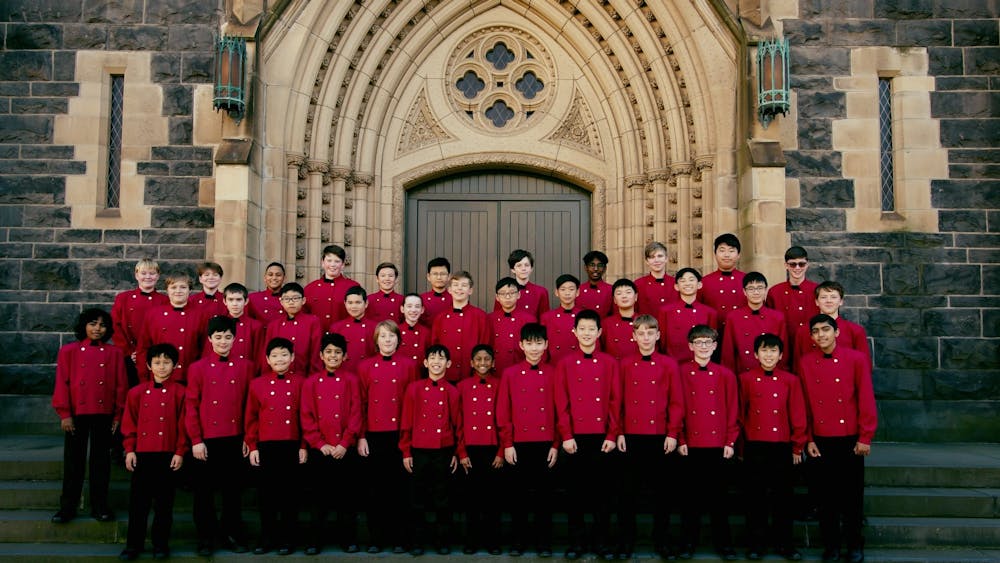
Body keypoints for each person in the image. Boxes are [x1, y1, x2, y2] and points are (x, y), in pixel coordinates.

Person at [798, 315, 877, 563]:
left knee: (852, 496)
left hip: (849, 438)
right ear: (811, 337)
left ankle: (855, 545)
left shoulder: (856, 359)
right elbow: (805, 403)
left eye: (826, 329)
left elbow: (865, 397)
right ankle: (831, 546)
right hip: (820, 439)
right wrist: (807, 438)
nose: (821, 335)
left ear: (836, 332)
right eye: (816, 331)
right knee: (825, 498)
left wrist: (865, 436)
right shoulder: (805, 362)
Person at [555, 309, 622, 559]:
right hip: (575, 438)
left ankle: (601, 541)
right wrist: (566, 435)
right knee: (576, 495)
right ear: (574, 332)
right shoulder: (564, 363)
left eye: (591, 329)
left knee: (602, 494)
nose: (586, 333)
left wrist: (612, 434)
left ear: (599, 332)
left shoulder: (609, 362)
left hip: (602, 437)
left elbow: (616, 400)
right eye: (581, 329)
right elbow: (561, 402)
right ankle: (576, 542)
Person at [185, 316, 254, 556]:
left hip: (235, 437)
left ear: (235, 339)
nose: (223, 341)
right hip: (206, 439)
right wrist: (195, 440)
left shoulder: (246, 366)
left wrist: (248, 437)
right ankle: (205, 538)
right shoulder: (198, 368)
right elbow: (191, 406)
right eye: (218, 337)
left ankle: (231, 533)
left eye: (227, 337)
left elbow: (250, 405)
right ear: (210, 339)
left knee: (231, 492)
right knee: (203, 494)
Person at [616, 314, 683, 559]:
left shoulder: (669, 364)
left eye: (650, 333)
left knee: (662, 493)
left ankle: (661, 539)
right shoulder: (623, 364)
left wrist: (673, 432)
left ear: (658, 335)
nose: (645, 338)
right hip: (631, 436)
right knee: (627, 493)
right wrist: (619, 431)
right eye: (640, 333)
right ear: (633, 336)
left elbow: (676, 402)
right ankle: (626, 540)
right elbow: (618, 401)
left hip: (660, 436)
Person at [51, 308, 127, 525]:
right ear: (84, 325)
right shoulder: (69, 351)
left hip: (104, 414)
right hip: (76, 414)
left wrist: (117, 415)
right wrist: (65, 414)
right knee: (73, 462)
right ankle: (67, 507)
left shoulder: (115, 353)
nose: (97, 329)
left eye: (102, 325)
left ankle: (100, 506)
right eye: (93, 323)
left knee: (100, 463)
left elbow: (121, 386)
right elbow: (62, 384)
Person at [738, 333, 807, 561]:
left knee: (783, 499)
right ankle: (756, 544)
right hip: (755, 445)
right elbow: (741, 414)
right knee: (755, 499)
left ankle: (785, 544)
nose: (769, 355)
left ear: (781, 355)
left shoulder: (790, 380)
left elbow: (797, 414)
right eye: (764, 351)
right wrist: (741, 447)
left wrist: (797, 446)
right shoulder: (745, 379)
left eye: (773, 351)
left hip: (782, 446)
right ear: (756, 355)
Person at [119, 343, 187, 561]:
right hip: (143, 454)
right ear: (148, 365)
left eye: (167, 362)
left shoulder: (181, 393)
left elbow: (183, 425)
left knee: (164, 505)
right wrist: (129, 450)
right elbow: (129, 424)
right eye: (157, 362)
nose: (162, 367)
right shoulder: (136, 393)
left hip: (167, 455)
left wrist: (179, 451)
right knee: (139, 504)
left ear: (175, 365)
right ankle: (133, 545)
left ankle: (161, 544)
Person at [496, 323, 559, 557]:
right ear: (521, 345)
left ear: (546, 345)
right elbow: (503, 411)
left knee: (545, 497)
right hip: (518, 444)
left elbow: (560, 409)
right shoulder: (510, 374)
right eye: (529, 343)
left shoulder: (554, 372)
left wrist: (555, 444)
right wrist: (508, 444)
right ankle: (518, 541)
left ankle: (544, 542)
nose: (534, 348)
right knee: (518, 497)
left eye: (539, 343)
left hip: (546, 443)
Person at [676, 325, 738, 561]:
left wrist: (730, 440)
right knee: (689, 500)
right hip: (689, 444)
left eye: (708, 342)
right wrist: (680, 437)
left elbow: (733, 409)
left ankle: (725, 545)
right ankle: (687, 543)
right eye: (698, 342)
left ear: (715, 346)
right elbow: (677, 406)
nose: (703, 347)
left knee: (718, 500)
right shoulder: (680, 372)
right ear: (690, 346)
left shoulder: (726, 375)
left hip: (717, 444)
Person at [357, 320, 419, 553]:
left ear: (398, 340)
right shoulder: (365, 367)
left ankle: (400, 539)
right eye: (383, 336)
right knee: (376, 489)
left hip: (401, 434)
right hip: (374, 434)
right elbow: (361, 403)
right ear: (376, 340)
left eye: (391, 336)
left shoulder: (409, 365)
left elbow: (415, 402)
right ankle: (376, 539)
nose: (387, 340)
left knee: (401, 490)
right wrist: (361, 436)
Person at [300, 332, 363, 555]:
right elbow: (306, 415)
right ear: (321, 355)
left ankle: (348, 539)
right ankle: (315, 540)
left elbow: (356, 413)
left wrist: (345, 443)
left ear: (345, 356)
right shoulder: (310, 383)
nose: (333, 356)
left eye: (338, 352)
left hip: (345, 449)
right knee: (319, 497)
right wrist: (319, 443)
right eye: (329, 352)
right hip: (322, 450)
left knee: (347, 497)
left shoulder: (352, 380)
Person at [400, 344, 465, 555]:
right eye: (432, 358)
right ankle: (417, 541)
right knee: (416, 497)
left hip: (443, 450)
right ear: (425, 362)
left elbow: (458, 425)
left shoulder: (453, 391)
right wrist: (406, 451)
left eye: (441, 358)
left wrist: (457, 452)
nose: (437, 362)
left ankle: (442, 540)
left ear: (448, 363)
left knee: (442, 497)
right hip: (418, 450)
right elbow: (406, 422)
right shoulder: (414, 388)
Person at [245, 337, 307, 555]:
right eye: (274, 356)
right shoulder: (257, 384)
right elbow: (251, 417)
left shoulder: (301, 382)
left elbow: (305, 417)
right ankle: (267, 537)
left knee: (289, 495)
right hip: (266, 445)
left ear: (291, 358)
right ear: (267, 359)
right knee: (267, 495)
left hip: (291, 444)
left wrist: (304, 446)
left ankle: (288, 538)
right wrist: (252, 445)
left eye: (284, 355)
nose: (279, 359)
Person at [456, 345, 504, 555]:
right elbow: (457, 422)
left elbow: (504, 420)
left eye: (487, 359)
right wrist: (462, 453)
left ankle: (492, 540)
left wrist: (502, 451)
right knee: (472, 499)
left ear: (493, 363)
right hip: (470, 449)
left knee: (493, 498)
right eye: (478, 359)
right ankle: (472, 540)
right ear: (471, 363)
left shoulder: (500, 385)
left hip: (493, 448)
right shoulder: (462, 386)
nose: (482, 363)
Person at [135, 272, 207, 384]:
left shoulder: (200, 315)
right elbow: (143, 349)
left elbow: (205, 350)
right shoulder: (153, 314)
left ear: (190, 290)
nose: (178, 291)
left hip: (189, 376)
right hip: (158, 377)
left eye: (183, 287)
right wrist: (144, 377)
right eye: (173, 287)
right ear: (167, 290)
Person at [111, 258, 168, 387]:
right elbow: (115, 326)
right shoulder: (123, 298)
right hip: (129, 356)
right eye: (143, 273)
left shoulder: (165, 300)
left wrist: (152, 353)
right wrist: (130, 352)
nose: (148, 277)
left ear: (158, 276)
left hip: (156, 357)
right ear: (136, 275)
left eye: (152, 273)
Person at [720, 272, 788, 374]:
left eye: (760, 288)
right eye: (751, 289)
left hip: (770, 375)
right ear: (744, 291)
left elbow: (783, 351)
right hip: (743, 374)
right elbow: (728, 352)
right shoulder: (733, 317)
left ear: (765, 290)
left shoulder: (777, 317)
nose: (756, 292)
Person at [794, 281, 872, 368]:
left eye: (833, 297)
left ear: (841, 301)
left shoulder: (855, 331)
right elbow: (798, 365)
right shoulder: (804, 330)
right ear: (816, 302)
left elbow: (865, 366)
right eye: (823, 297)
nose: (829, 301)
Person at [431, 271, 490, 383]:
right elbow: (435, 349)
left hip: (472, 377)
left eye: (464, 285)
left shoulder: (481, 317)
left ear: (470, 290)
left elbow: (484, 347)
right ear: (449, 290)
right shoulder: (440, 318)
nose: (459, 289)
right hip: (445, 377)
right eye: (456, 285)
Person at [765, 247, 819, 365]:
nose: (797, 268)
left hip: (811, 347)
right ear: (786, 265)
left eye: (801, 264)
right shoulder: (775, 292)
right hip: (784, 347)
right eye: (793, 264)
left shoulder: (818, 291)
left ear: (807, 264)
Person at [656, 267, 718, 363]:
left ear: (699, 284)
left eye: (691, 280)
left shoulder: (709, 313)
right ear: (676, 286)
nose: (687, 283)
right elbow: (662, 343)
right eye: (683, 281)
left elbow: (711, 342)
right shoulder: (665, 311)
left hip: (699, 365)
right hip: (674, 365)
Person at [262, 282, 323, 377]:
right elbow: (267, 354)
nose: (291, 302)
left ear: (303, 300)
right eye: (287, 299)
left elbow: (315, 353)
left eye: (295, 298)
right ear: (281, 301)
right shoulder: (273, 325)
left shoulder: (312, 322)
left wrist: (313, 377)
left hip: (303, 376)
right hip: (278, 377)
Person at [200, 283, 263, 373]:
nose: (235, 304)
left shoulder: (255, 326)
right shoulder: (216, 323)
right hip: (219, 371)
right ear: (225, 301)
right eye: (230, 300)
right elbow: (208, 352)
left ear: (246, 301)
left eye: (239, 300)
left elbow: (258, 356)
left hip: (244, 372)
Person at [697, 233, 746, 336]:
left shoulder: (747, 281)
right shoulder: (704, 282)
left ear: (738, 255)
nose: (726, 255)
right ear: (715, 254)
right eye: (722, 250)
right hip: (712, 337)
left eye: (731, 251)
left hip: (742, 334)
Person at [304, 244, 360, 327]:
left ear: (343, 265)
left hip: (343, 337)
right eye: (329, 261)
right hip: (317, 337)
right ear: (322, 263)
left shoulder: (353, 286)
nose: (332, 265)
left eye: (337, 261)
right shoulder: (310, 288)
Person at [488, 277, 535, 376]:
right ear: (497, 297)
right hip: (495, 371)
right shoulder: (489, 319)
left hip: (520, 371)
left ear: (518, 294)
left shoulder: (529, 319)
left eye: (512, 293)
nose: (507, 297)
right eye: (503, 293)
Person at [328, 285, 376, 373]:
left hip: (368, 374)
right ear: (345, 303)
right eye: (350, 303)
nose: (354, 306)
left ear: (366, 304)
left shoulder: (375, 327)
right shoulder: (336, 328)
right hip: (343, 375)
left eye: (358, 302)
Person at [539, 274, 582, 364]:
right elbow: (542, 345)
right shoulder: (547, 317)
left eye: (571, 289)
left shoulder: (584, 316)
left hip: (578, 364)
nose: (567, 293)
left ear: (577, 292)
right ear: (556, 292)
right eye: (563, 289)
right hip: (554, 364)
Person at [497, 249, 550, 318]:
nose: (523, 269)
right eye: (519, 265)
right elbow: (497, 317)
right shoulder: (503, 290)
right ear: (513, 269)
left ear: (531, 268)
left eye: (527, 265)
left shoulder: (541, 292)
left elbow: (545, 319)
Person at [634, 241, 679, 315]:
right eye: (652, 257)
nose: (656, 260)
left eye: (660, 256)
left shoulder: (676, 283)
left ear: (666, 259)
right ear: (647, 261)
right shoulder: (638, 284)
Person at [600, 278, 640, 360]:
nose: (624, 296)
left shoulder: (644, 321)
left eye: (628, 292)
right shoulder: (606, 324)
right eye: (619, 293)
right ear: (614, 300)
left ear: (636, 297)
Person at [577, 250, 613, 315]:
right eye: (592, 265)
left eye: (600, 265)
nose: (596, 269)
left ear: (605, 269)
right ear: (586, 268)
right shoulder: (578, 290)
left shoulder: (611, 290)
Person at [399, 293, 431, 364]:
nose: (413, 310)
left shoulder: (427, 333)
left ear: (422, 310)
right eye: (409, 306)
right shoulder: (396, 331)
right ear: (402, 309)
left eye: (417, 306)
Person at [420, 257, 452, 326]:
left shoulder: (455, 299)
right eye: (435, 274)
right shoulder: (421, 299)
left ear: (449, 276)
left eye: (443, 274)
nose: (439, 277)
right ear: (428, 276)